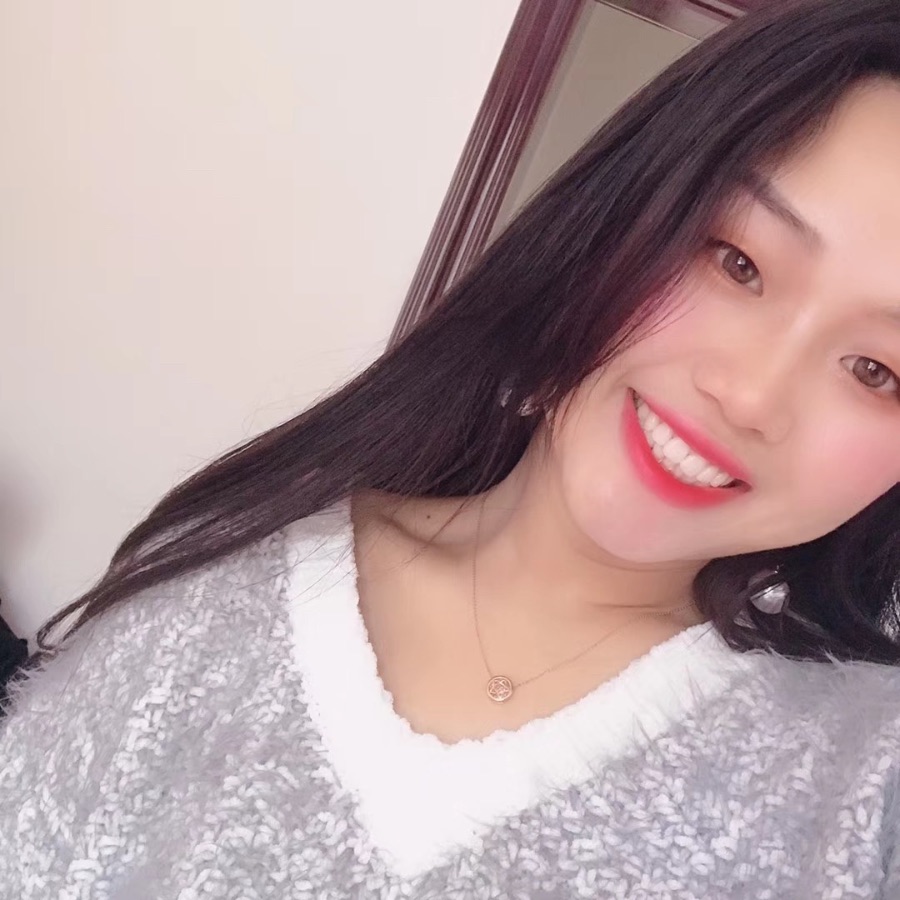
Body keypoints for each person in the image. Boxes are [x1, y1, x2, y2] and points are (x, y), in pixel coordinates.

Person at [3, 0, 900, 896]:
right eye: (737, 261)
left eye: (877, 370)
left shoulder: (863, 781)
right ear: (621, 218)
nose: (751, 396)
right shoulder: (204, 593)